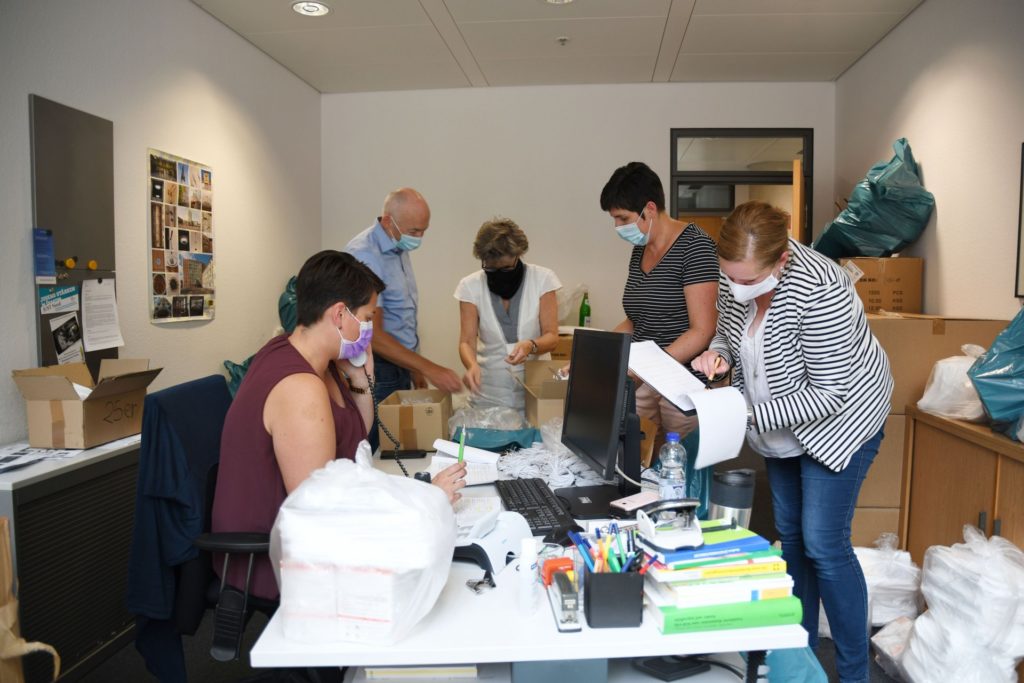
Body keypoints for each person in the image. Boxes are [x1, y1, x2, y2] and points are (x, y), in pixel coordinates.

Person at [691, 201, 893, 683]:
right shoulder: (734, 271)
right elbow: (727, 333)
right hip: (775, 419)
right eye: (729, 278)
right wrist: (717, 359)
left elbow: (830, 391)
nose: (735, 288)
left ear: (781, 262)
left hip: (840, 419)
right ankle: (795, 659)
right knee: (793, 539)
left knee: (824, 542)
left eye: (745, 280)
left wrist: (743, 415)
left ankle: (853, 673)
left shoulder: (822, 290)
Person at [212, 250, 466, 601]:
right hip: (279, 558)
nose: (369, 329)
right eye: (366, 318)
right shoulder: (300, 388)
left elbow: (353, 441)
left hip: (310, 532)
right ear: (339, 315)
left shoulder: (313, 356)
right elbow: (319, 513)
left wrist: (363, 376)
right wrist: (426, 500)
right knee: (432, 570)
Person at [600, 161, 719, 509]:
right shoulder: (640, 250)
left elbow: (702, 330)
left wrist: (646, 370)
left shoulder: (695, 246)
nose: (619, 227)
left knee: (679, 480)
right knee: (635, 470)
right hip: (644, 378)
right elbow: (637, 319)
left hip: (682, 383)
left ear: (649, 209)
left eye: (623, 218)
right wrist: (602, 352)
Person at [346, 188, 463, 451]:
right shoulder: (366, 255)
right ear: (388, 221)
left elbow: (401, 315)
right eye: (414, 232)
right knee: (381, 449)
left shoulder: (397, 246)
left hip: (401, 364)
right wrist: (430, 368)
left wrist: (415, 369)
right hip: (379, 369)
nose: (419, 238)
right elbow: (372, 335)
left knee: (401, 448)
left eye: (424, 230)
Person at [454, 217, 561, 410]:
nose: (498, 274)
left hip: (535, 392)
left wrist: (531, 345)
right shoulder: (470, 286)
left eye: (505, 268)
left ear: (517, 255)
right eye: (491, 268)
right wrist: (471, 366)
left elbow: (552, 337)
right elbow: (466, 341)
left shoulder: (543, 280)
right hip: (488, 392)